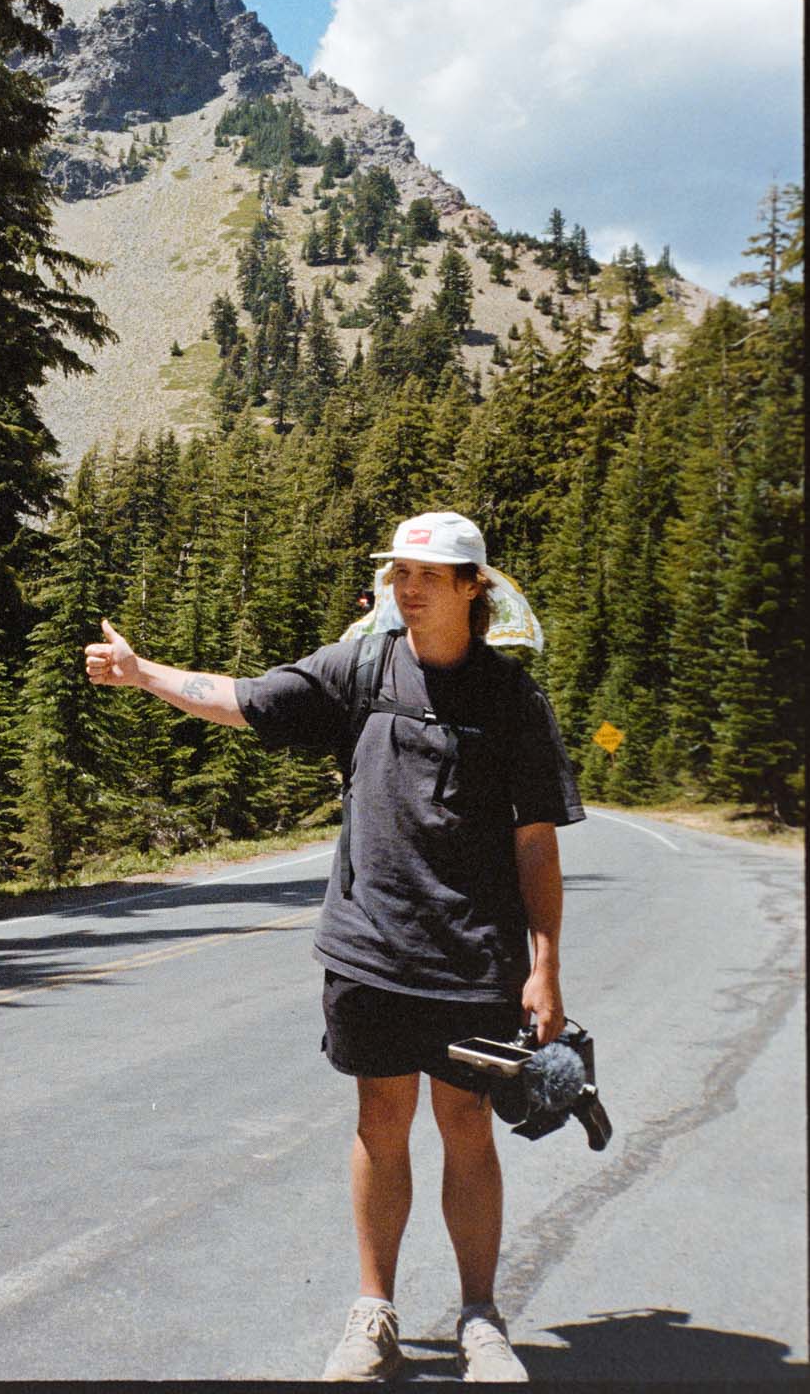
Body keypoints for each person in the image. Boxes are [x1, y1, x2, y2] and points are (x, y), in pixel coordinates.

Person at [84, 509, 583, 1384]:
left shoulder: (511, 699)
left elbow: (534, 843)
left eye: (427, 575)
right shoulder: (357, 668)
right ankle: (373, 1314)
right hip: (368, 951)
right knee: (378, 1127)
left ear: (472, 587)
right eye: (399, 573)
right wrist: (140, 673)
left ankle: (478, 1319)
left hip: (472, 957)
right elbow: (242, 699)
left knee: (467, 1129)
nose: (407, 588)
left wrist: (544, 969)